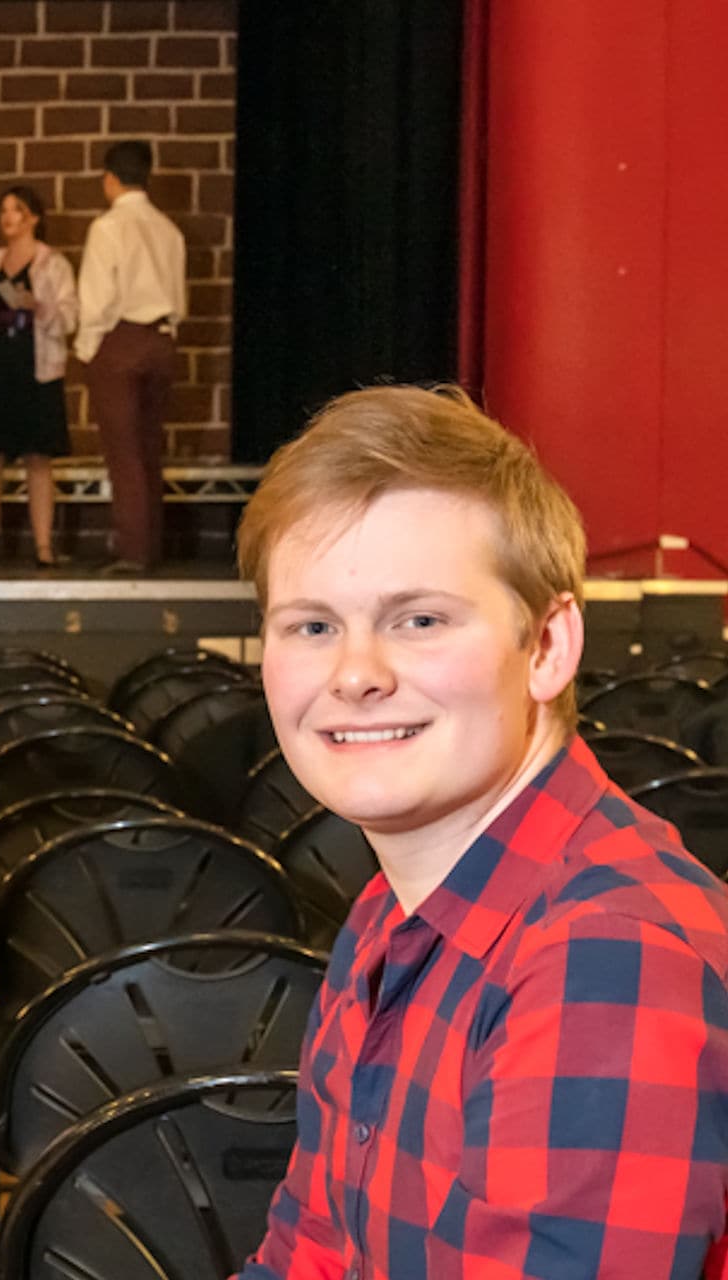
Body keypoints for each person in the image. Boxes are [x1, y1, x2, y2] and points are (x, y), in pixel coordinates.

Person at [234, 386, 728, 1278]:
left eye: (418, 620)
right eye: (311, 626)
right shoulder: (394, 910)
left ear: (547, 647)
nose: (355, 675)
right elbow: (309, 1255)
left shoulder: (607, 960)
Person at [75, 140, 185, 576]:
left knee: (122, 452)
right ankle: (148, 545)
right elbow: (178, 295)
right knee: (149, 446)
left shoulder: (108, 227)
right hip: (161, 337)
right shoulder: (168, 229)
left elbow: (97, 298)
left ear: (110, 178)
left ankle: (131, 551)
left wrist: (86, 349)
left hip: (120, 338)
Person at [0, 186, 78, 568]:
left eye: (17, 210)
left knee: (38, 456)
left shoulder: (53, 264)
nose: (7, 217)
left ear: (34, 218)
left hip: (34, 364)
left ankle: (44, 546)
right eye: (4, 210)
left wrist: (38, 306)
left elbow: (71, 316)